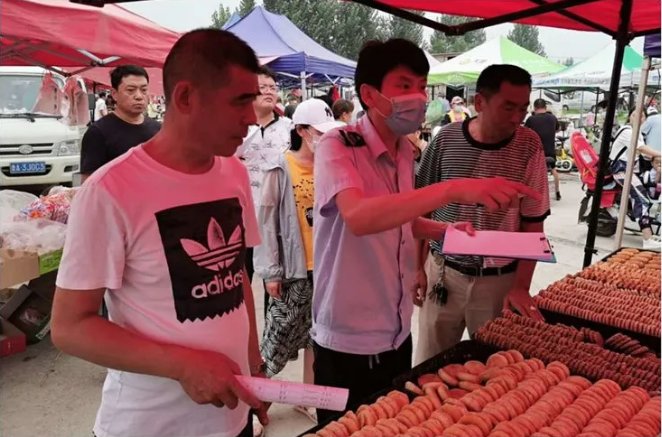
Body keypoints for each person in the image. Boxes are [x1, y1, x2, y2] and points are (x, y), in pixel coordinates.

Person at [51, 29, 269, 437]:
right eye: (240, 100)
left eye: (254, 100)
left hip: (230, 418)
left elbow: (235, 275)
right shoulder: (109, 191)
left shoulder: (234, 172)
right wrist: (183, 365)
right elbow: (70, 327)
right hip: (149, 426)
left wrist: (252, 361)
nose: (252, 117)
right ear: (185, 98)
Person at [312, 40, 540, 422]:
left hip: (396, 330)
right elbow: (360, 217)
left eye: (421, 85)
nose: (417, 97)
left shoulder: (404, 151)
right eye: (404, 86)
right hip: (348, 337)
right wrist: (452, 188)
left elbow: (400, 220)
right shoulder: (338, 145)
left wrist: (444, 229)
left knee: (392, 423)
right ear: (369, 94)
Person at [415, 64, 551, 365]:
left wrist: (520, 287)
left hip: (498, 282)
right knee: (428, 365)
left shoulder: (529, 146)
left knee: (495, 370)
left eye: (523, 108)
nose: (517, 118)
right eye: (508, 107)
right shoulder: (445, 140)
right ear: (480, 103)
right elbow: (419, 206)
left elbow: (533, 222)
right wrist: (416, 268)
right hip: (443, 274)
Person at [255, 98, 342, 424]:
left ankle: (309, 397)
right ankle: (253, 402)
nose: (327, 139)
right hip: (293, 269)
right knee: (277, 340)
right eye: (321, 132)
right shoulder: (279, 167)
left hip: (326, 266)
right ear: (302, 131)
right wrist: (271, 272)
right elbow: (267, 223)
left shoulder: (331, 165)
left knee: (317, 338)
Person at [236, 67, 292, 284]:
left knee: (278, 282)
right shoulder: (235, 129)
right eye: (262, 88)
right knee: (241, 280)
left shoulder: (290, 128)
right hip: (244, 216)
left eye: (273, 88)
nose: (269, 92)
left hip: (279, 217)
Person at [80, 65, 161, 182]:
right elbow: (88, 183)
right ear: (114, 94)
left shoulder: (157, 129)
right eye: (130, 90)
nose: (139, 96)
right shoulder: (98, 132)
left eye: (143, 90)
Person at [609, 108, 661, 250]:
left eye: (642, 115)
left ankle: (648, 230)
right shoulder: (628, 132)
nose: (639, 118)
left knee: (650, 193)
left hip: (632, 171)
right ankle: (647, 239)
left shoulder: (638, 134)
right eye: (635, 114)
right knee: (641, 199)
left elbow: (645, 154)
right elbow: (643, 149)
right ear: (629, 117)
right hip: (622, 171)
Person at [526, 98, 562, 201]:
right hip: (550, 150)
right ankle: (557, 192)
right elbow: (558, 129)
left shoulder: (531, 120)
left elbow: (525, 133)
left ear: (535, 108)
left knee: (533, 171)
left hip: (536, 151)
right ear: (545, 107)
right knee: (554, 169)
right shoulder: (552, 118)